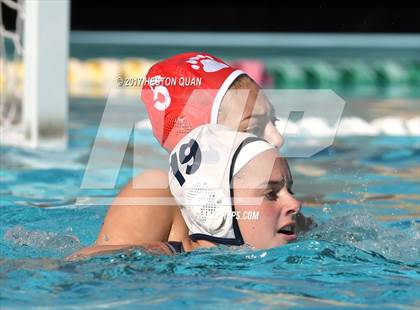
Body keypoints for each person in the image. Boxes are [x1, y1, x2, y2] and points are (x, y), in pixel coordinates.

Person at [68, 52, 312, 259]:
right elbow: (97, 273)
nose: (278, 139)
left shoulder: (276, 206)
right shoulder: (154, 192)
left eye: (273, 121)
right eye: (253, 126)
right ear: (203, 137)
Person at [68, 125, 300, 259]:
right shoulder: (158, 257)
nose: (295, 203)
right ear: (214, 207)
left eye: (289, 190)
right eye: (271, 193)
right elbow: (76, 266)